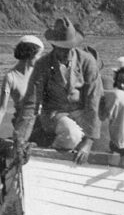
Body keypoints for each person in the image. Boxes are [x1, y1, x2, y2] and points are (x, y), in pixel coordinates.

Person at [15, 18, 102, 165]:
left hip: (81, 112)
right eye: (62, 48)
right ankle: (49, 153)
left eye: (69, 48)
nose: (66, 53)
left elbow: (94, 101)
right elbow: (32, 103)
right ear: (53, 46)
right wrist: (21, 140)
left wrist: (88, 142)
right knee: (72, 135)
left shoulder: (87, 61)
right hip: (54, 114)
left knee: (96, 134)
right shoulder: (42, 65)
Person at [0, 35, 43, 140]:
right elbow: (2, 110)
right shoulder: (11, 77)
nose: (40, 59)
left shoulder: (39, 72)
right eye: (39, 55)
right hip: (23, 121)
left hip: (41, 119)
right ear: (30, 54)